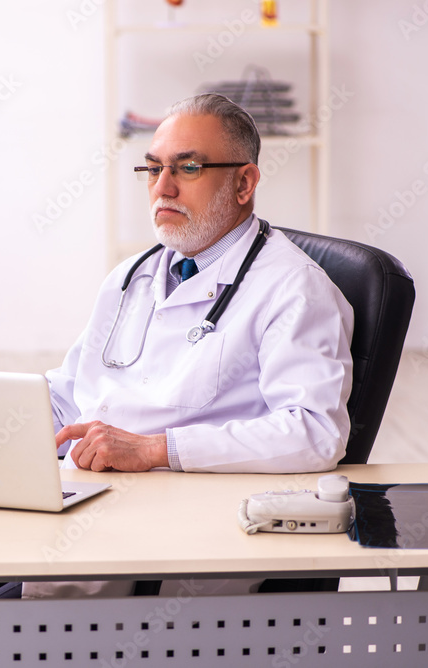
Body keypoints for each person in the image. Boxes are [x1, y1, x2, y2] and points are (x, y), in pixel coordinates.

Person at [20, 93, 354, 599]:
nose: (163, 188)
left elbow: (313, 431)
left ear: (244, 183)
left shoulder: (293, 288)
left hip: (166, 540)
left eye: (188, 168)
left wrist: (156, 449)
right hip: (81, 507)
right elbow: (70, 392)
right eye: (152, 169)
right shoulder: (132, 276)